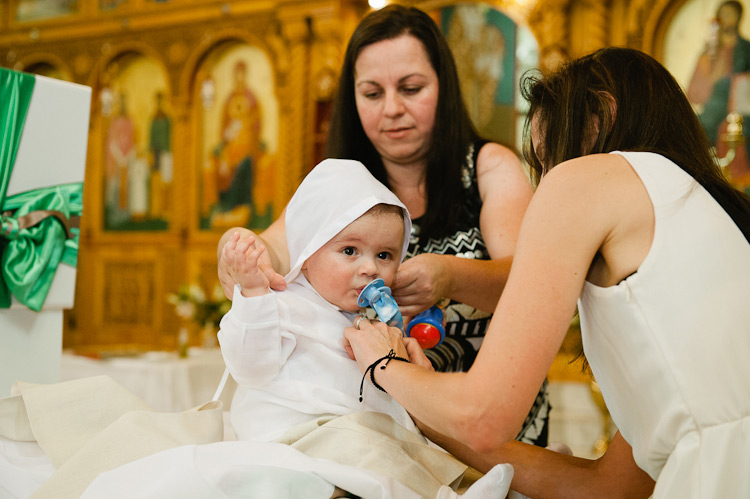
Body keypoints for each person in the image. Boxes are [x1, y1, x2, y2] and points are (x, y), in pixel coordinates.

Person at [343, 46, 750, 498]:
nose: (547, 179)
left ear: (602, 115)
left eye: (547, 157)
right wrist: (427, 416)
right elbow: (609, 487)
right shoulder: (706, 209)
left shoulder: (587, 178)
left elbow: (483, 416)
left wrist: (384, 366)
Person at [216, 4, 548, 447]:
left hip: (490, 427)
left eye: (410, 88)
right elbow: (274, 251)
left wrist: (449, 275)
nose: (392, 109)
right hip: (379, 430)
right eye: (372, 93)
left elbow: (534, 284)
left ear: (444, 87)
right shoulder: (342, 185)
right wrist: (240, 254)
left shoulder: (488, 167)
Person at [218, 158, 512, 499]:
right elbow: (249, 367)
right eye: (349, 250)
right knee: (374, 452)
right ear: (308, 251)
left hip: (362, 436)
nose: (370, 267)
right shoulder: (284, 302)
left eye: (385, 255)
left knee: (418, 453)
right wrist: (254, 296)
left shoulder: (376, 320)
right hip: (296, 439)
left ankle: (475, 487)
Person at [687, 0, 750, 172]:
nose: (727, 19)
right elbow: (697, 86)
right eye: (723, 15)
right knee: (698, 126)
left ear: (738, 18)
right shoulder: (711, 51)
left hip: (740, 104)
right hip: (716, 102)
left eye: (731, 15)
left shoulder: (746, 48)